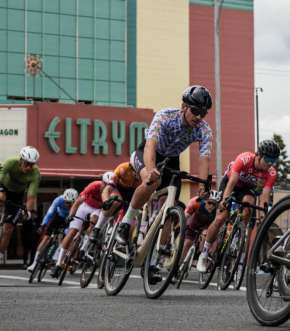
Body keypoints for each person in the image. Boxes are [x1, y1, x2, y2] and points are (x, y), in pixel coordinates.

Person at [113, 86, 213, 281]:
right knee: (152, 182)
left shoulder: (204, 131)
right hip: (148, 152)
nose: (199, 117)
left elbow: (204, 160)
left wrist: (203, 186)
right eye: (195, 110)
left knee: (170, 208)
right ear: (183, 106)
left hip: (171, 159)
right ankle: (126, 222)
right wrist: (151, 172)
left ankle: (152, 262)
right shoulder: (165, 116)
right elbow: (151, 144)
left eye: (203, 113)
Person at [196, 140, 280, 274]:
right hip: (230, 184)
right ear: (259, 154)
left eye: (273, 161)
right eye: (268, 159)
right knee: (220, 218)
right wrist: (224, 201)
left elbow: (265, 195)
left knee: (250, 201)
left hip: (246, 189)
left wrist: (264, 213)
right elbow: (231, 183)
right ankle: (204, 253)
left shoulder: (271, 173)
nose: (270, 163)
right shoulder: (244, 159)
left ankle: (238, 235)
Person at [0, 146, 41, 283]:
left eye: (32, 164)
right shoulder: (10, 162)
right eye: (26, 163)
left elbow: (30, 198)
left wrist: (28, 213)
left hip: (17, 196)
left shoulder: (35, 174)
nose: (29, 167)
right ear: (20, 160)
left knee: (8, 230)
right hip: (4, 188)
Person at [52, 179, 104, 278]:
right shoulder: (94, 185)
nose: (104, 189)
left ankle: (83, 250)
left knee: (93, 223)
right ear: (102, 184)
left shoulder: (111, 191)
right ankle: (58, 264)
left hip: (97, 210)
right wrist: (70, 216)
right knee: (72, 232)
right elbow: (77, 203)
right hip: (85, 206)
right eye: (104, 186)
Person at [26, 188, 78, 274]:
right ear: (64, 199)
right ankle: (34, 264)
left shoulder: (77, 205)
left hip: (68, 220)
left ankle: (57, 255)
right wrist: (43, 226)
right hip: (58, 217)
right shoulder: (59, 199)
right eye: (66, 202)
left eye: (71, 203)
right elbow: (49, 214)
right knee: (46, 238)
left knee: (67, 236)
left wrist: (67, 231)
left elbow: (74, 221)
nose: (68, 204)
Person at [95, 163, 142, 242]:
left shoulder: (145, 173)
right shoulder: (122, 169)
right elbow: (107, 189)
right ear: (132, 168)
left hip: (133, 193)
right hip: (119, 189)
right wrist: (106, 201)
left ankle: (118, 246)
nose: (139, 175)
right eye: (136, 173)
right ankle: (97, 228)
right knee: (115, 201)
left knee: (132, 226)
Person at [179, 191, 221, 269]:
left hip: (208, 224)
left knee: (204, 235)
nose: (211, 206)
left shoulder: (217, 210)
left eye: (214, 204)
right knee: (187, 243)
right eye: (210, 203)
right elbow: (186, 216)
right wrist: (179, 227)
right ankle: (176, 267)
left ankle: (199, 255)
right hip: (196, 221)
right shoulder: (197, 203)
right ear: (205, 201)